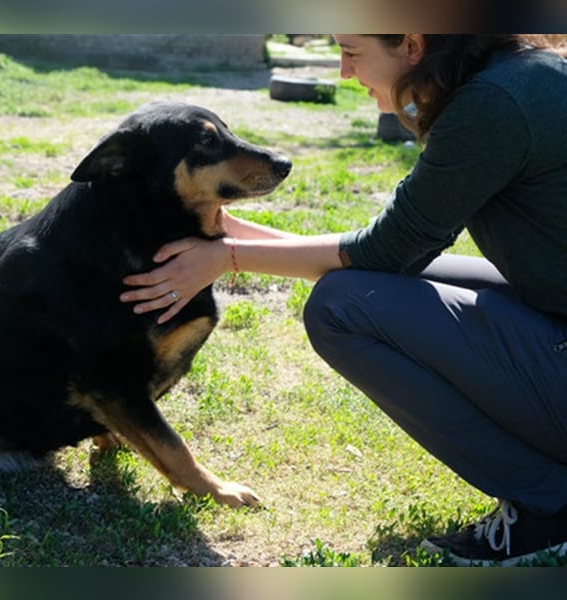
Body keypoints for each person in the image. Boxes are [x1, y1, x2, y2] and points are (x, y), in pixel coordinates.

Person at [119, 35, 567, 566]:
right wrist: (232, 236)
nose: (343, 72)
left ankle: (550, 502)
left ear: (414, 44)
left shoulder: (492, 106)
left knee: (340, 309)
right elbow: (396, 251)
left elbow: (383, 250)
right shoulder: (523, 76)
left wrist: (227, 258)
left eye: (353, 51)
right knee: (408, 280)